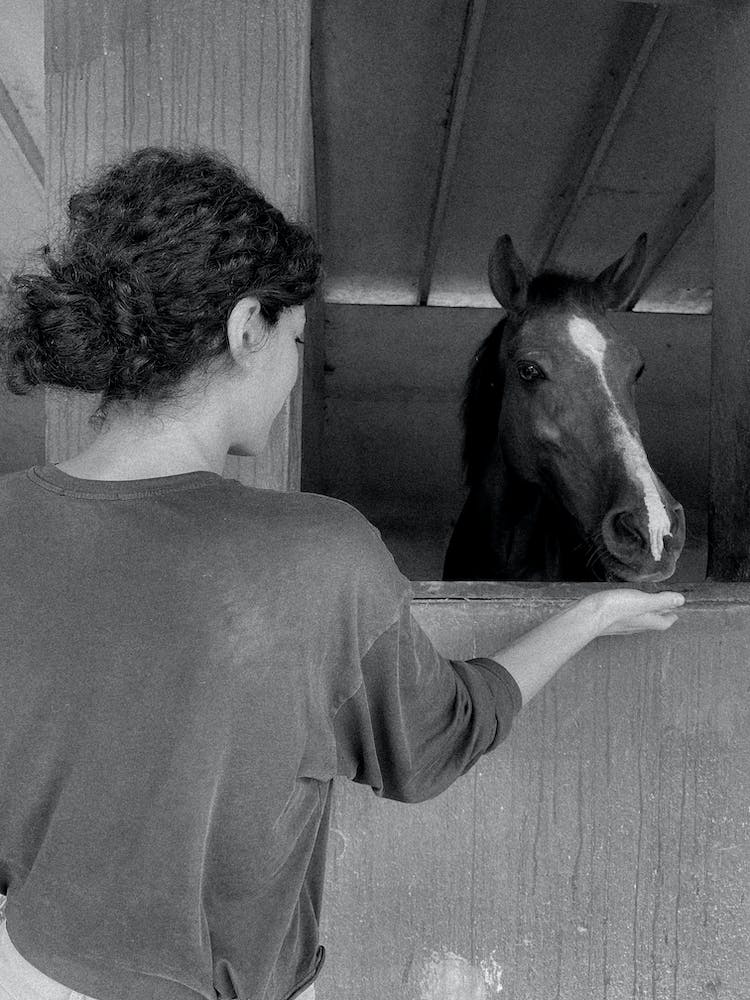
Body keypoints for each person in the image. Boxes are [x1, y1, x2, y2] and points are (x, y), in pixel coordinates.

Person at [0, 146, 684, 1000]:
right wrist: (587, 618)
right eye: (294, 338)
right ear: (248, 329)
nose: (294, 370)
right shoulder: (319, 553)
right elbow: (441, 740)